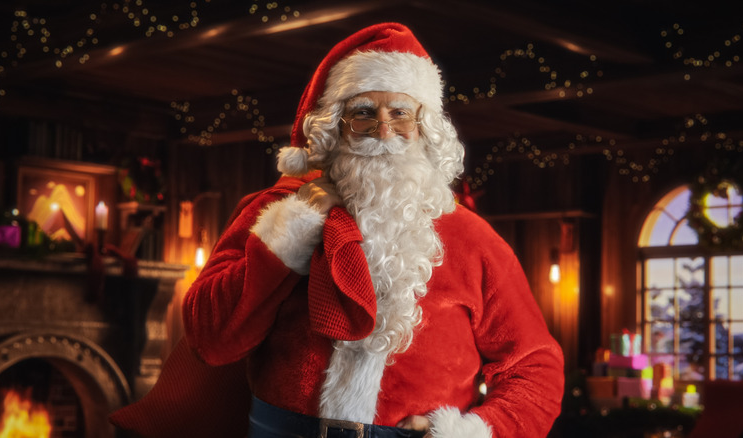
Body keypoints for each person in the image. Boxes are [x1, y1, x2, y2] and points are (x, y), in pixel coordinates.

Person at [112, 22, 564, 438]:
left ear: (425, 128)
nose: (384, 129)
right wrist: (291, 230)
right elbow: (210, 337)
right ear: (335, 127)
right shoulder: (272, 213)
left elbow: (535, 366)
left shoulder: (474, 240)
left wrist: (471, 431)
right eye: (364, 112)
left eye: (401, 113)